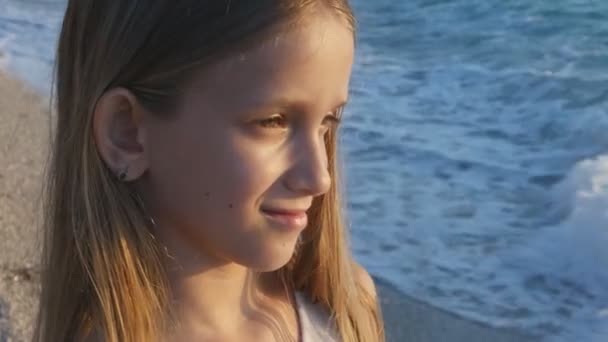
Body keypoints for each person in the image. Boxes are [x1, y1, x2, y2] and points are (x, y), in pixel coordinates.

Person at [34, 1, 385, 341]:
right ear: (127, 133)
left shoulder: (346, 309)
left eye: (328, 121)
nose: (319, 177)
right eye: (272, 122)